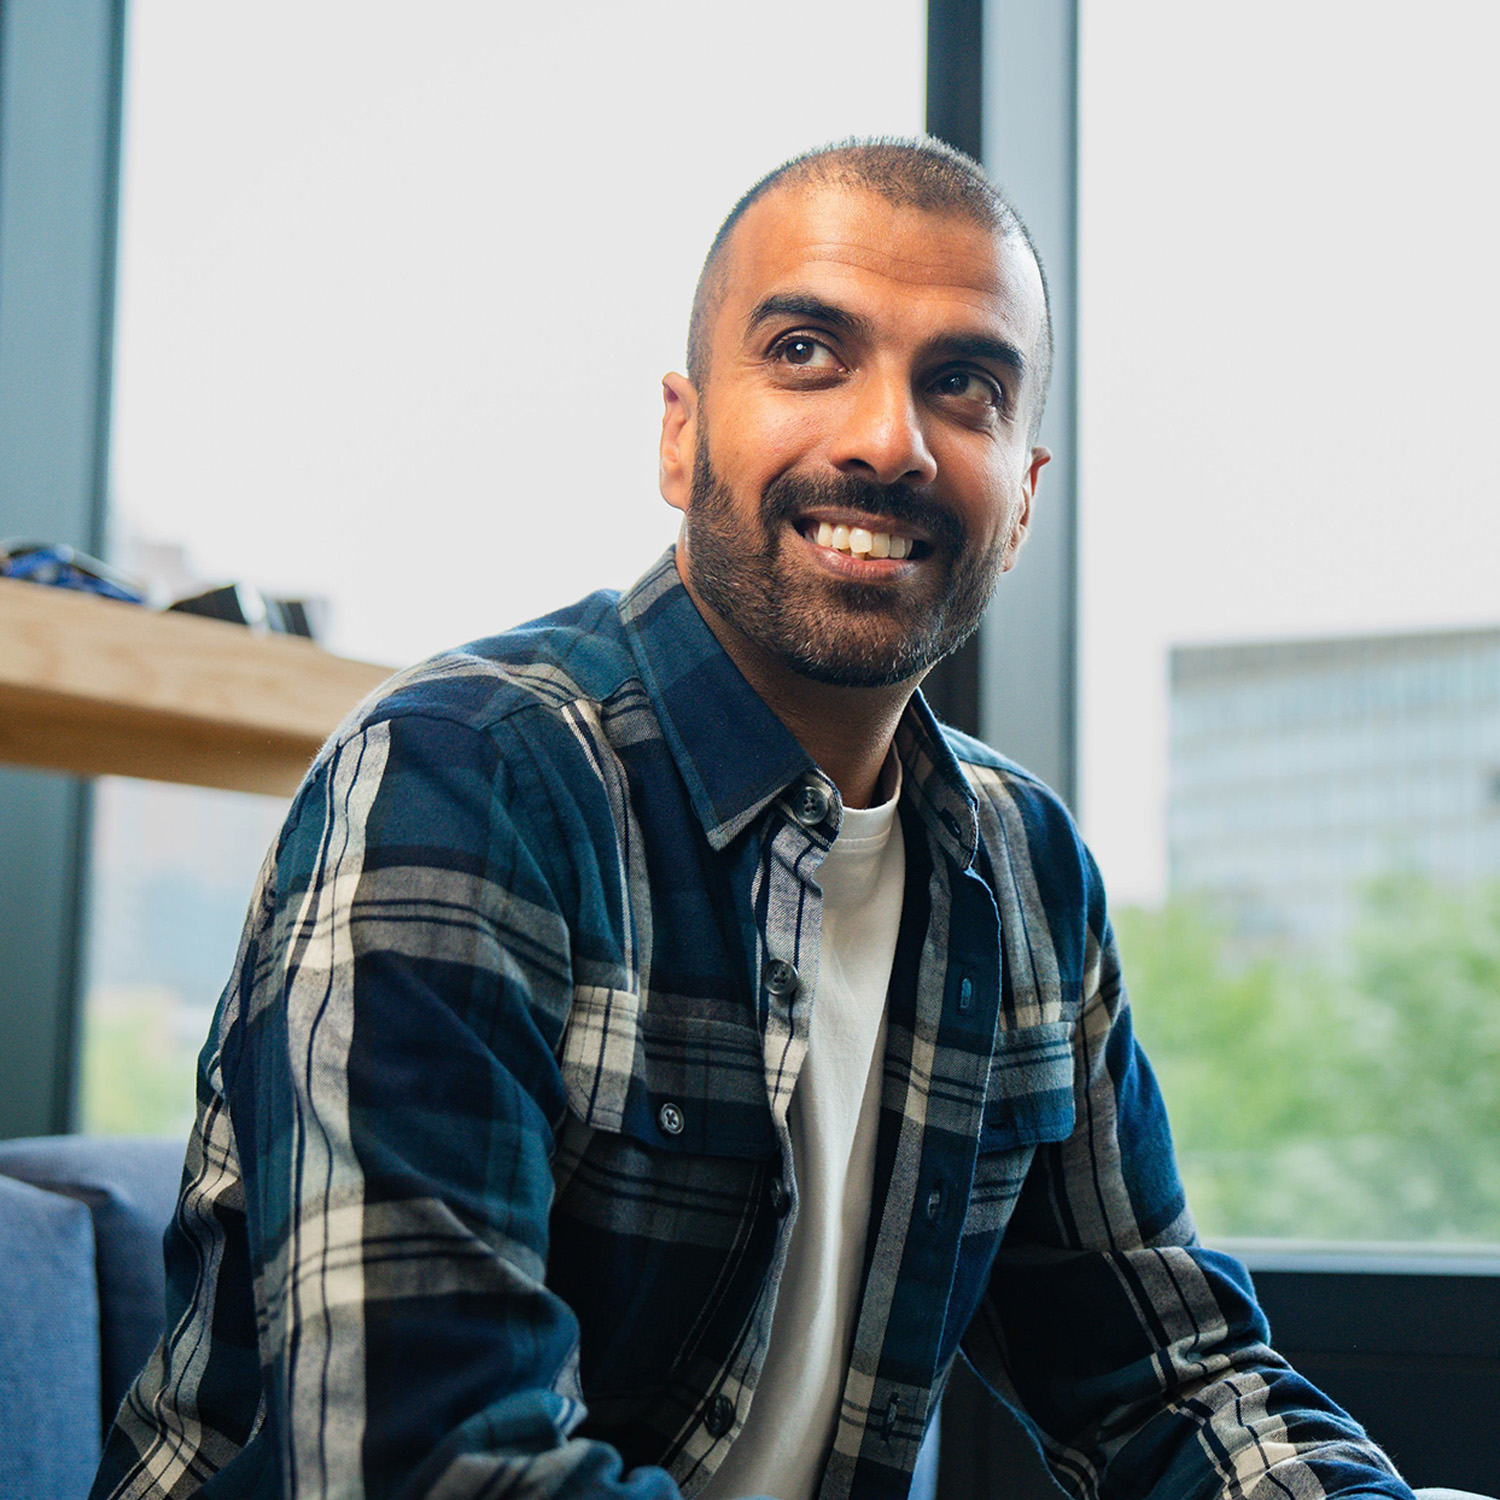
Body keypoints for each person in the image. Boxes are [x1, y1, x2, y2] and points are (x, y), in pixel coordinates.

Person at [92, 138, 1415, 1500]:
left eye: (963, 385)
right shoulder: (466, 779)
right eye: (805, 352)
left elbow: (1170, 1379)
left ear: (1021, 496)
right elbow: (433, 1473)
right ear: (682, 432)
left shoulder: (1023, 875)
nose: (885, 440)